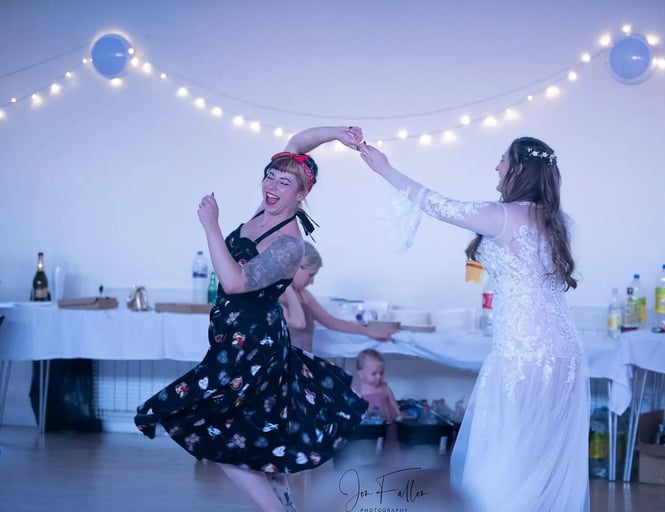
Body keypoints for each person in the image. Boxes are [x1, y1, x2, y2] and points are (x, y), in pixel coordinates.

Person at [134, 126, 369, 512]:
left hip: (254, 350)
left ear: (302, 194)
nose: (272, 185)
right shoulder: (265, 211)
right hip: (230, 343)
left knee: (222, 435)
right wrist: (336, 134)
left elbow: (235, 280)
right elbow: (296, 145)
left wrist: (210, 225)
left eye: (284, 182)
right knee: (257, 437)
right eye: (270, 176)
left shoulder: (290, 243)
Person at [358, 137, 590, 511]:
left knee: (508, 447)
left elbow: (435, 203)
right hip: (563, 350)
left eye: (501, 160)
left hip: (524, 353)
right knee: (541, 451)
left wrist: (384, 168)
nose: (496, 167)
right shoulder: (559, 221)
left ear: (517, 169)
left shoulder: (502, 215)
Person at [278, 241, 399, 353]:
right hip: (284, 368)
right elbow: (299, 323)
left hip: (303, 364)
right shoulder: (274, 297)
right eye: (310, 275)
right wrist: (287, 284)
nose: (312, 282)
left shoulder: (303, 295)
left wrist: (368, 331)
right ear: (296, 267)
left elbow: (332, 322)